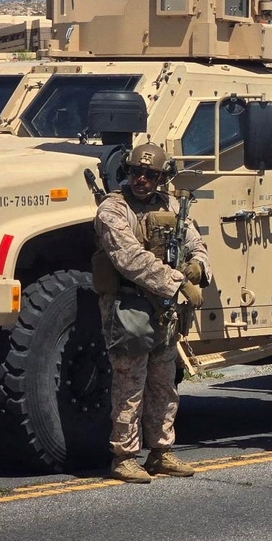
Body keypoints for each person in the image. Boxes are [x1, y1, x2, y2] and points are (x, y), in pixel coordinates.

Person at [94, 143, 210, 483]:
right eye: (136, 173)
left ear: (162, 177)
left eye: (151, 175)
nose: (142, 179)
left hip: (163, 309)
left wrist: (198, 267)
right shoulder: (112, 210)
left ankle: (161, 451)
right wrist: (177, 283)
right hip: (130, 304)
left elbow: (196, 243)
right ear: (127, 172)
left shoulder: (172, 206)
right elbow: (129, 258)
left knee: (164, 381)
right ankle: (124, 455)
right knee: (130, 382)